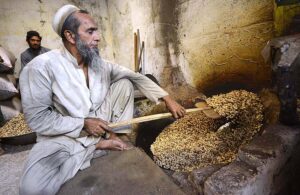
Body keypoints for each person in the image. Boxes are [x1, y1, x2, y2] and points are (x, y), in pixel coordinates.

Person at [19, 4, 186, 195]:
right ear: (70, 36)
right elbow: (38, 119)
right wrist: (83, 123)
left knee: (124, 82)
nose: (98, 37)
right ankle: (95, 144)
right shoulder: (40, 67)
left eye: (96, 30)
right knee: (31, 188)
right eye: (90, 32)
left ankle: (116, 135)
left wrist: (168, 99)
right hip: (65, 134)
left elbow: (135, 76)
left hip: (100, 121)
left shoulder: (99, 63)